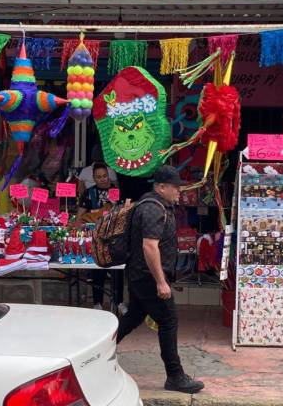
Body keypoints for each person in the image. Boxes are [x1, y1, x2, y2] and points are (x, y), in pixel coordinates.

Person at [117, 166, 204, 394]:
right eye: (175, 187)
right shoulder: (153, 209)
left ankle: (99, 350)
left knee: (133, 317)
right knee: (168, 321)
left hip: (140, 276)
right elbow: (149, 246)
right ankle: (175, 376)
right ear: (161, 187)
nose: (179, 192)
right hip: (147, 278)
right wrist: (161, 282)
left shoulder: (155, 205)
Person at [76, 162, 125, 313]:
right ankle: (97, 303)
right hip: (97, 239)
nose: (103, 179)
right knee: (98, 269)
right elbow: (79, 218)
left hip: (116, 238)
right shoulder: (89, 193)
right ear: (94, 178)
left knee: (118, 270)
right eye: (99, 177)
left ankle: (119, 302)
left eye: (105, 176)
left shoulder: (117, 192)